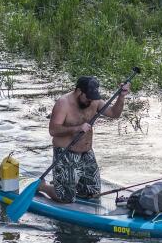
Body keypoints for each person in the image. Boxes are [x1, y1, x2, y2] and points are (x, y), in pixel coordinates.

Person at [38, 75, 129, 203]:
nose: (90, 101)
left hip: (87, 152)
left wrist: (121, 96)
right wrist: (76, 128)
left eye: (93, 98)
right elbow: (53, 130)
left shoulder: (94, 100)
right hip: (66, 152)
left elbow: (114, 114)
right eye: (88, 98)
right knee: (65, 197)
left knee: (92, 192)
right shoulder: (63, 103)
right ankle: (44, 186)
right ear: (79, 91)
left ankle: (64, 182)